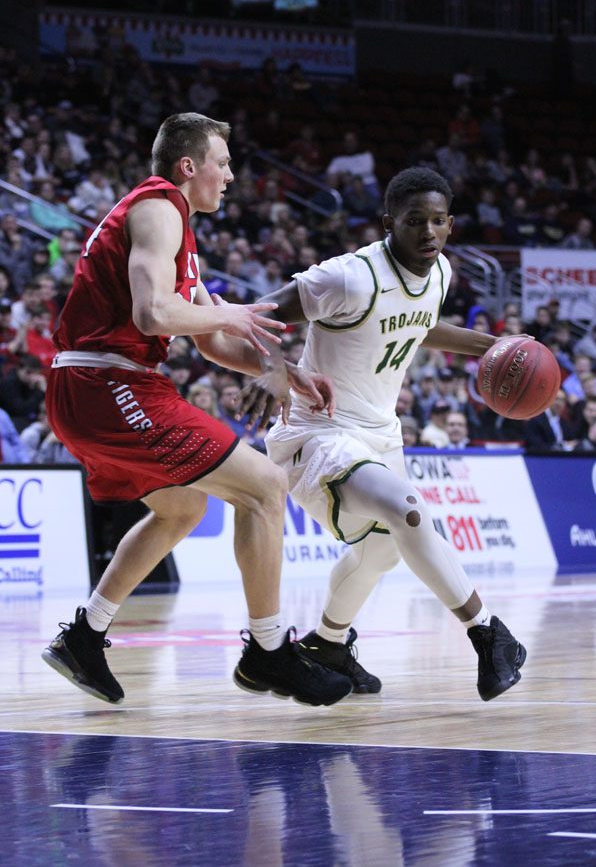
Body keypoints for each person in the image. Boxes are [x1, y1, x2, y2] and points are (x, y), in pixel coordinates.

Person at [41, 113, 352, 709]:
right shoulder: (158, 207)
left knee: (181, 507)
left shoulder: (179, 231)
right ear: (189, 166)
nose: (231, 176)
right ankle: (267, 650)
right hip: (106, 380)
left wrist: (289, 374)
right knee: (264, 485)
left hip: (97, 384)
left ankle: (86, 635)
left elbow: (212, 342)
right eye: (224, 163)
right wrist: (229, 313)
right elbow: (154, 314)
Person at [239, 167, 526, 701]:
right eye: (415, 221)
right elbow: (263, 312)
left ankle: (327, 643)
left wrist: (493, 345)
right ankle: (487, 632)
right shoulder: (351, 276)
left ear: (450, 225)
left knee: (382, 552)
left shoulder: (439, 273)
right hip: (317, 430)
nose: (428, 232)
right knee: (408, 509)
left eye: (438, 221)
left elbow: (418, 325)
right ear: (389, 221)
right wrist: (272, 368)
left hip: (380, 433)